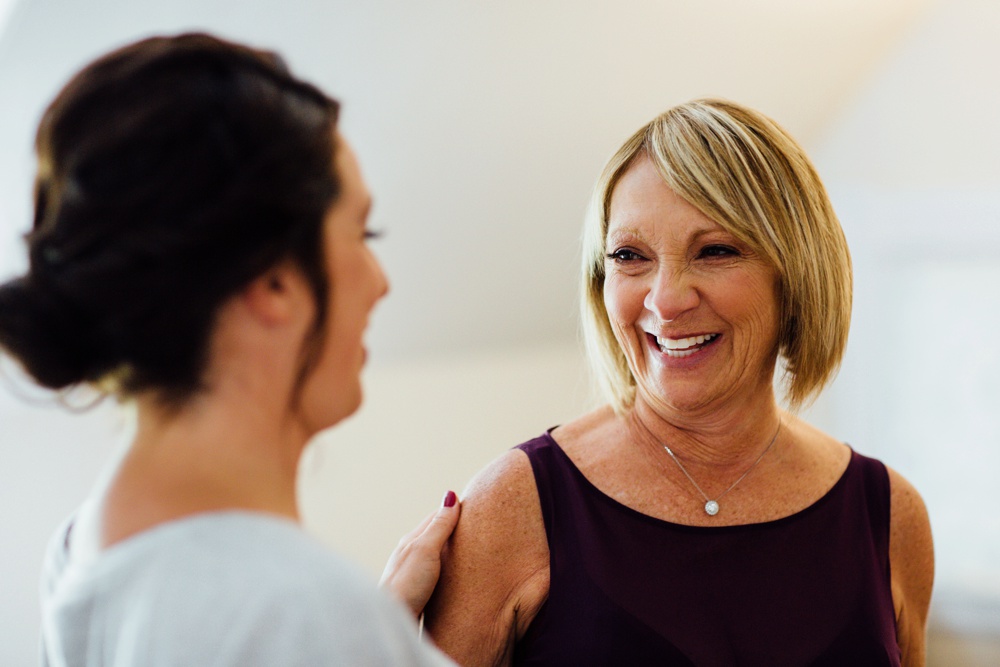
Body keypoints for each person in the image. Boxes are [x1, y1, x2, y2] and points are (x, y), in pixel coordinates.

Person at [0, 34, 459, 665]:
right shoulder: (306, 617)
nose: (380, 282)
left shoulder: (83, 554)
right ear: (273, 281)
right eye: (361, 232)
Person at [424, 99, 935, 665]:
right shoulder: (513, 506)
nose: (665, 301)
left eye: (714, 251)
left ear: (797, 271)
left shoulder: (890, 517)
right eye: (629, 256)